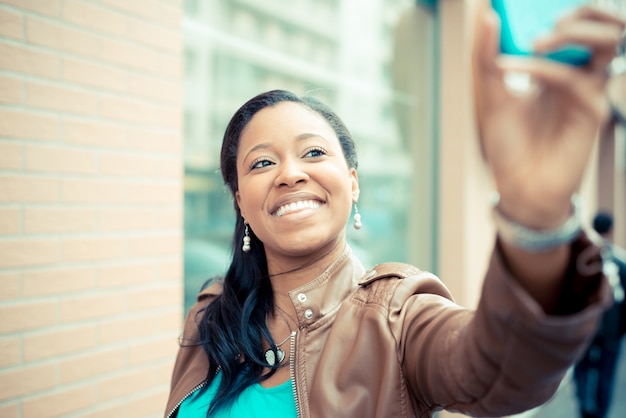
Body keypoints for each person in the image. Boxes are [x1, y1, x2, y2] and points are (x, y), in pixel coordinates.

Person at [165, 4, 625, 418]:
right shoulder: (211, 316)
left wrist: (535, 223)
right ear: (241, 201)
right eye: (262, 163)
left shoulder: (396, 319)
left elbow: (500, 372)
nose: (290, 174)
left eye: (313, 153)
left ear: (352, 182)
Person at [574, 212, 626, 418]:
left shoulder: (582, 259)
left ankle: (585, 404)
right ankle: (601, 412)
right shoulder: (620, 261)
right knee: (606, 372)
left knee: (582, 367)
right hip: (612, 329)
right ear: (611, 230)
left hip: (585, 327)